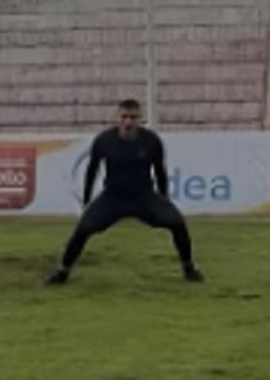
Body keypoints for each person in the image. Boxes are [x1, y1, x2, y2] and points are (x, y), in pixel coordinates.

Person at [46, 99, 204, 285]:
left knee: (177, 223)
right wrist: (87, 200)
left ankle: (189, 268)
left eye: (133, 117)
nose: (128, 122)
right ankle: (63, 272)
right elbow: (92, 170)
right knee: (83, 229)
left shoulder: (151, 141)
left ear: (140, 119)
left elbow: (160, 171)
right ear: (117, 118)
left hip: (143, 197)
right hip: (113, 197)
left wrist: (164, 199)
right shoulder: (104, 140)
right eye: (124, 117)